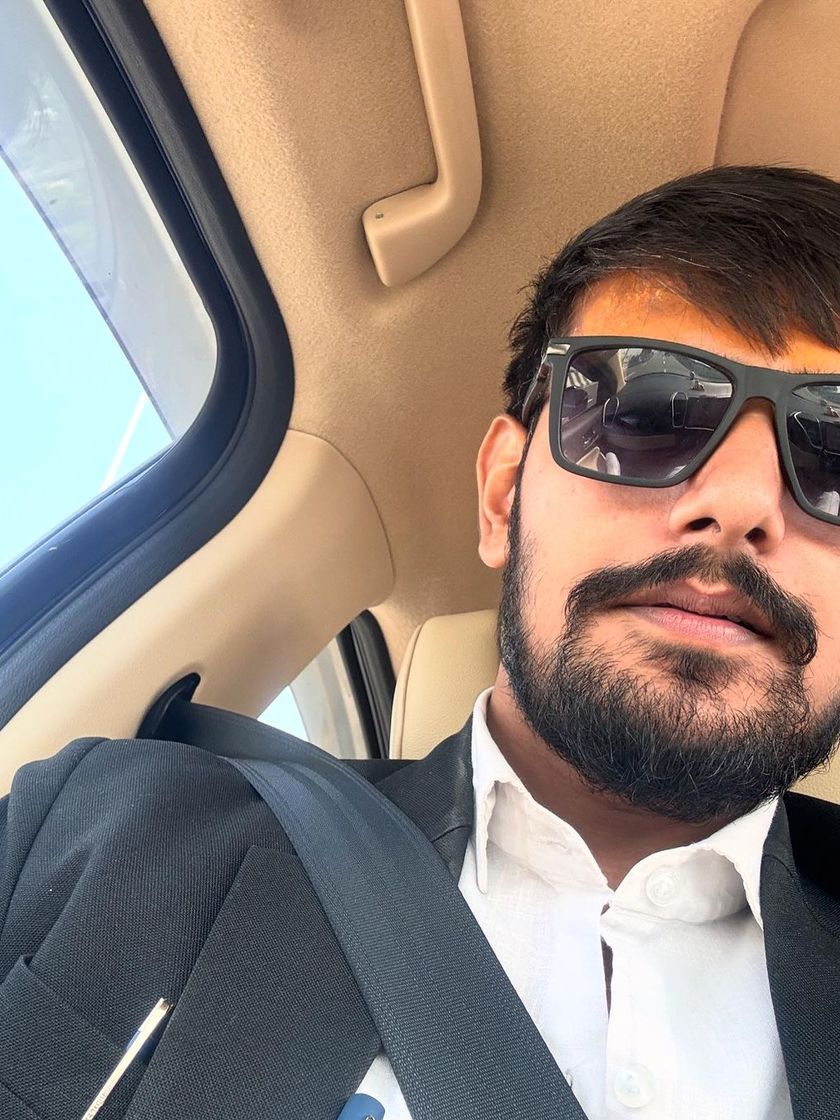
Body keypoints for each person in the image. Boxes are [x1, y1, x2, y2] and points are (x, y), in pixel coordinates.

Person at [3, 164, 840, 1120]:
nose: (739, 504)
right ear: (503, 497)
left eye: (836, 453)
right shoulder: (109, 839)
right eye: (645, 413)